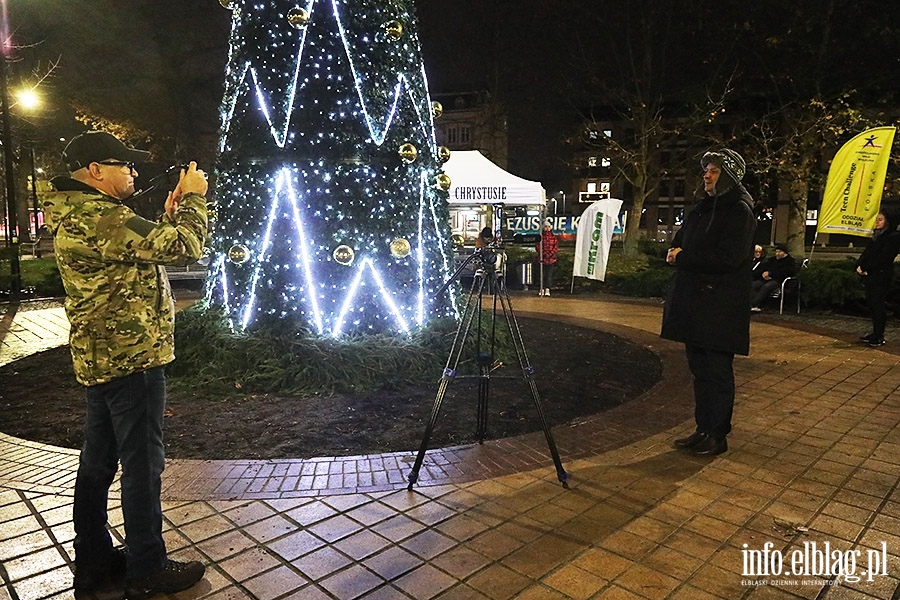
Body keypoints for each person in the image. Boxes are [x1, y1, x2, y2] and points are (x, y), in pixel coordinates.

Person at [41, 131, 209, 599]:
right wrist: (194, 200)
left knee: (96, 465)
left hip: (102, 360)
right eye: (124, 164)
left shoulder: (80, 213)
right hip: (132, 362)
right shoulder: (104, 216)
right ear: (95, 170)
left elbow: (143, 250)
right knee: (142, 466)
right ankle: (147, 569)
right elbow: (184, 248)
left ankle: (94, 563)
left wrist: (170, 217)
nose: (134, 172)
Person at [660, 148, 756, 456]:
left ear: (728, 176)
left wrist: (684, 257)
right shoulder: (702, 207)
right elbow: (682, 240)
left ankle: (717, 434)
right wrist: (676, 250)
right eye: (706, 170)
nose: (706, 175)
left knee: (716, 372)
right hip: (697, 304)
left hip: (719, 308)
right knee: (700, 370)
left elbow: (729, 258)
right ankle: (703, 428)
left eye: (714, 171)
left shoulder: (738, 210)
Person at [857, 209, 900, 347]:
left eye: (880, 220)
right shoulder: (877, 236)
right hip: (871, 275)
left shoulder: (893, 237)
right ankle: (874, 333)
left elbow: (884, 257)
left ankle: (879, 335)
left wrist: (866, 267)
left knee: (878, 304)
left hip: (881, 276)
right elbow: (868, 253)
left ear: (888, 222)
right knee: (871, 304)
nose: (877, 222)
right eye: (876, 219)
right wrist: (860, 265)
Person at [750, 244, 797, 311]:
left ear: (785, 253)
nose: (777, 253)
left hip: (778, 280)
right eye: (776, 252)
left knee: (767, 287)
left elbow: (786, 272)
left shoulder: (789, 261)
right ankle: (753, 303)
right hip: (766, 279)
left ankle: (753, 304)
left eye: (779, 252)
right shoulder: (772, 260)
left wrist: (771, 274)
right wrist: (764, 273)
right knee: (754, 285)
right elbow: (765, 267)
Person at [536, 221, 559, 296]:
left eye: (548, 227)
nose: (547, 228)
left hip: (551, 259)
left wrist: (550, 254)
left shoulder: (553, 237)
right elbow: (537, 246)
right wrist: (543, 254)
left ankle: (547, 289)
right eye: (546, 227)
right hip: (542, 259)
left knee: (549, 275)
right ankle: (541, 288)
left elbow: (555, 247)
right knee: (541, 275)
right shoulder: (540, 237)